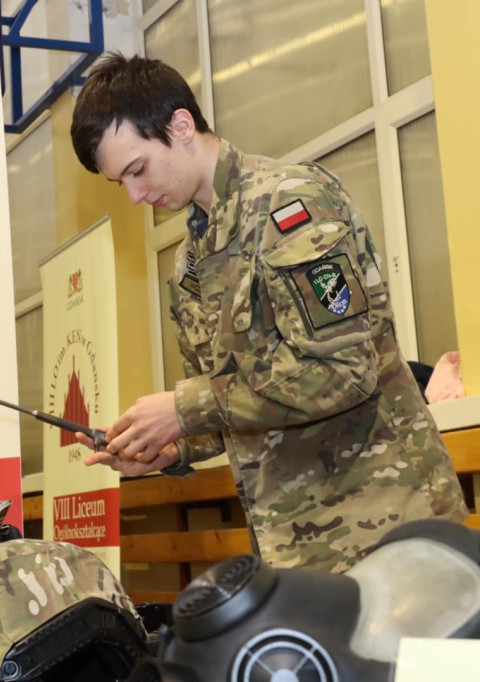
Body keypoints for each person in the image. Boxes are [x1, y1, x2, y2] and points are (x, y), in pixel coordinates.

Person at [69, 53, 467, 573]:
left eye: (137, 170)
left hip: (390, 531)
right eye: (120, 183)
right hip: (296, 552)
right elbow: (233, 404)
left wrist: (182, 409)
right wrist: (168, 447)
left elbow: (342, 373)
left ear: (181, 125)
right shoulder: (189, 263)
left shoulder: (291, 205)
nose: (136, 194)